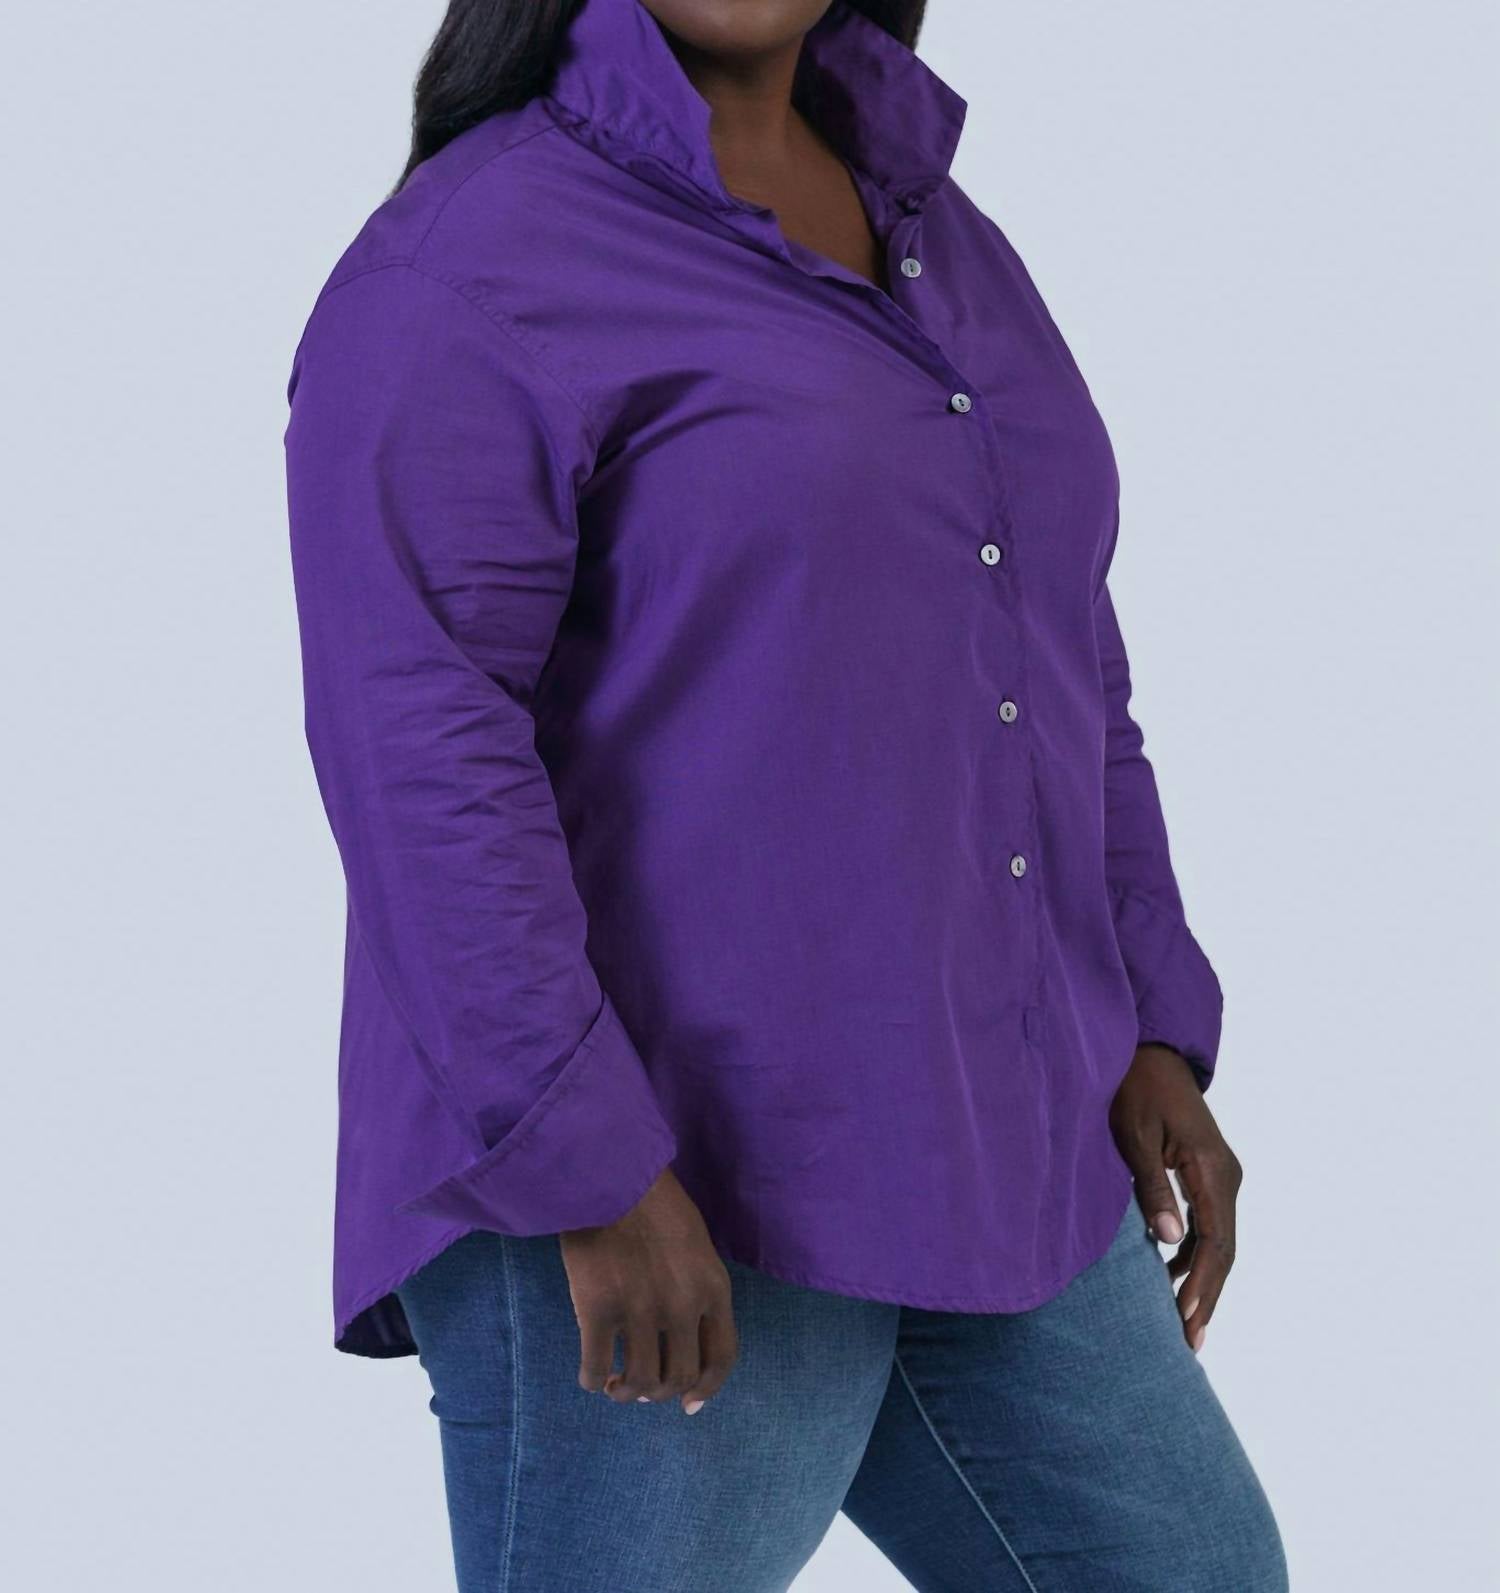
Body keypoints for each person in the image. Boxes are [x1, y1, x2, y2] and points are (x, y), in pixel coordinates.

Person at [284, 0, 1288, 1587]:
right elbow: (420, 749)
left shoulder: (940, 229)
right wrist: (588, 1163)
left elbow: (1051, 637)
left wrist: (1152, 1016)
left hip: (991, 1128)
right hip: (669, 1165)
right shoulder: (463, 265)